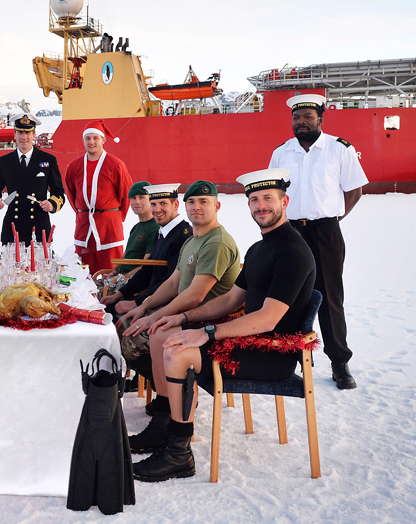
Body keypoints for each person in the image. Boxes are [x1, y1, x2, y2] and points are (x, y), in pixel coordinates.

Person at [130, 169, 316, 482]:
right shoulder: (260, 248)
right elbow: (231, 300)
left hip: (271, 355)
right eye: (254, 199)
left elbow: (269, 318)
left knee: (178, 351)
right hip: (249, 341)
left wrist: (207, 332)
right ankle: (170, 431)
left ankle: (178, 454)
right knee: (173, 336)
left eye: (267, 199)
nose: (260, 206)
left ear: (285, 201)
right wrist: (183, 318)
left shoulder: (292, 251)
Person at [119, 180, 241, 451]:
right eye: (192, 202)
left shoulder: (216, 242)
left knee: (157, 332)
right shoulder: (193, 240)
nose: (196, 207)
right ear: (184, 206)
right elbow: (174, 283)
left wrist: (153, 317)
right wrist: (143, 307)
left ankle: (169, 417)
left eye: (203, 202)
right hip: (191, 314)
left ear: (217, 206)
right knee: (144, 326)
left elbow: (196, 294)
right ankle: (165, 408)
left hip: (210, 319)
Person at [269, 94, 368, 390]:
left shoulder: (338, 149)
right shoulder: (281, 153)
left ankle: (340, 363)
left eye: (308, 117)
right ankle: (289, 359)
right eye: (297, 118)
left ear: (320, 120)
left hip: (325, 232)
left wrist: (333, 220)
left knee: (329, 298)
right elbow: (274, 195)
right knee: (287, 296)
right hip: (289, 233)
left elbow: (354, 190)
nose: (301, 123)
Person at [101, 183, 191, 319]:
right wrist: (118, 295)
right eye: (153, 204)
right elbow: (147, 270)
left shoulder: (182, 236)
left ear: (175, 205)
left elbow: (172, 284)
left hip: (169, 304)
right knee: (106, 309)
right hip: (153, 296)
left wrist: (136, 303)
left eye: (163, 203)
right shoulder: (162, 231)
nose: (157, 209)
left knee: (115, 317)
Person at [64, 120, 133, 272]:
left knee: (112, 272)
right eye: (88, 138)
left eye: (95, 138)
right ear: (83, 140)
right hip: (84, 227)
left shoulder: (116, 165)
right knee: (84, 273)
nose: (91, 142)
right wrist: (82, 213)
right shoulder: (74, 166)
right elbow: (71, 194)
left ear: (103, 139)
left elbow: (125, 195)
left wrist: (114, 217)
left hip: (109, 227)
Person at [0, 113, 65, 244]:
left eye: (28, 133)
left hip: (39, 228)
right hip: (13, 228)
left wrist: (51, 203)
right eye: (20, 133)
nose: (24, 137)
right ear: (15, 135)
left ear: (34, 135)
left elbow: (58, 192)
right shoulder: (4, 162)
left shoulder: (48, 160)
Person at [108, 181, 158, 281]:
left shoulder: (155, 227)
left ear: (151, 200)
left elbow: (146, 265)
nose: (136, 202)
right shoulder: (136, 227)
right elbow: (127, 253)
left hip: (136, 282)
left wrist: (122, 278)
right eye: (133, 198)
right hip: (122, 276)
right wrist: (114, 271)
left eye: (141, 197)